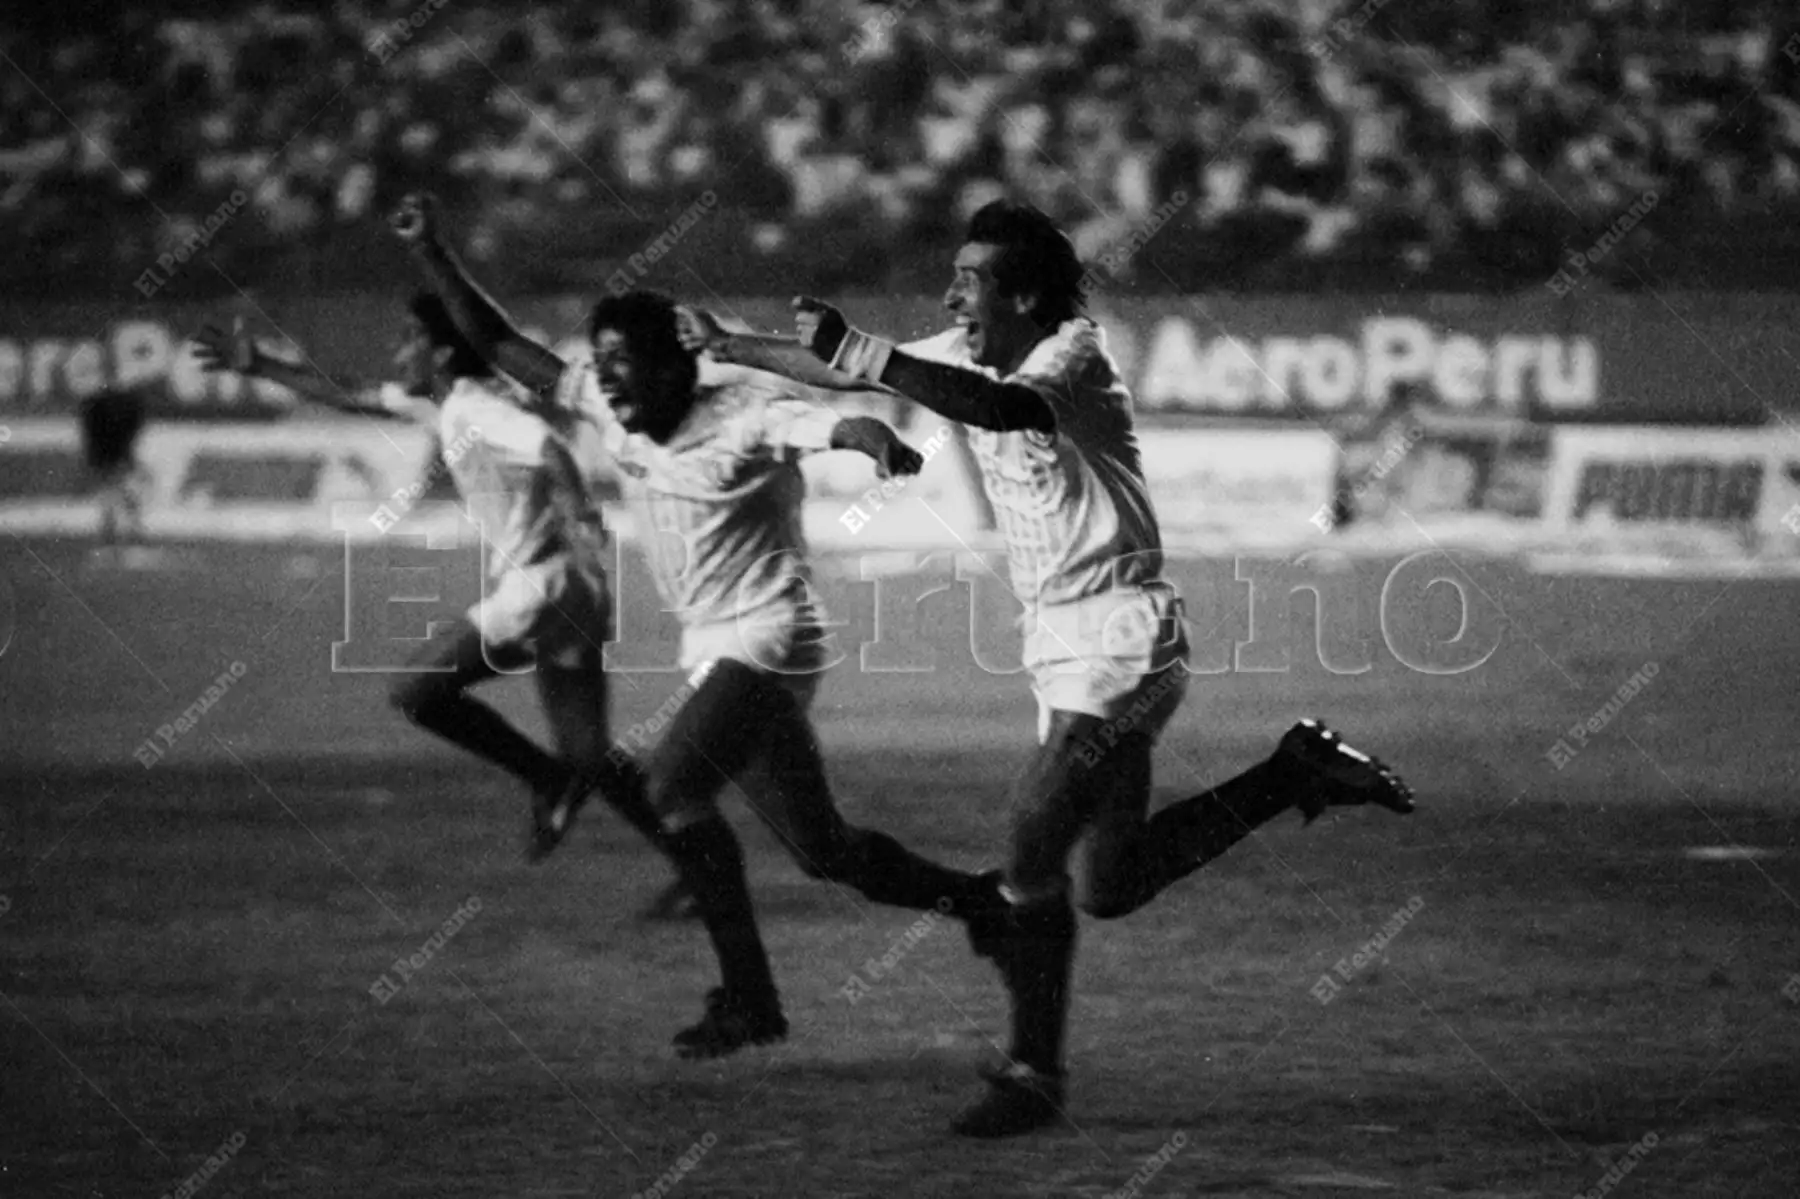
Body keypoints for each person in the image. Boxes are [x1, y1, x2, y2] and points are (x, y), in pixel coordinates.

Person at [683, 198, 1416, 1136]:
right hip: (1056, 642)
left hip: (1122, 632)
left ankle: (1033, 1074)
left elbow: (1002, 407)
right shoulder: (965, 349)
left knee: (1029, 844)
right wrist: (731, 346)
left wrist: (869, 354)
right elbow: (838, 367)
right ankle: (1294, 770)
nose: (952, 295)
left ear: (1025, 295)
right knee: (1110, 884)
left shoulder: (1071, 353)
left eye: (969, 280)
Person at [389, 191, 1015, 1061]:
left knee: (673, 786)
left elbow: (840, 419)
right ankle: (987, 906)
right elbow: (499, 346)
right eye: (598, 365)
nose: (603, 381)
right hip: (714, 644)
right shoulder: (615, 409)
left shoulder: (743, 415)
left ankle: (751, 1000)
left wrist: (879, 444)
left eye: (621, 365)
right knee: (823, 850)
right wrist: (434, 253)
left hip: (771, 633)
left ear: (674, 366)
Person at [189, 301, 694, 919]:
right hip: (572, 586)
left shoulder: (480, 410)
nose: (399, 353)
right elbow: (354, 396)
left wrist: (583, 517)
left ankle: (545, 778)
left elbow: (549, 446)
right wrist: (260, 363)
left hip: (543, 585)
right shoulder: (447, 402)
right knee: (590, 753)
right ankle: (698, 864)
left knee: (416, 691)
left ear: (444, 353)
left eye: (410, 339)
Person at [77, 387, 150, 556]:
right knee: (116, 493)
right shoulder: (106, 419)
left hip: (111, 455)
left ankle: (121, 534)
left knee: (116, 493)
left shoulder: (104, 417)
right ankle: (120, 534)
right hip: (110, 455)